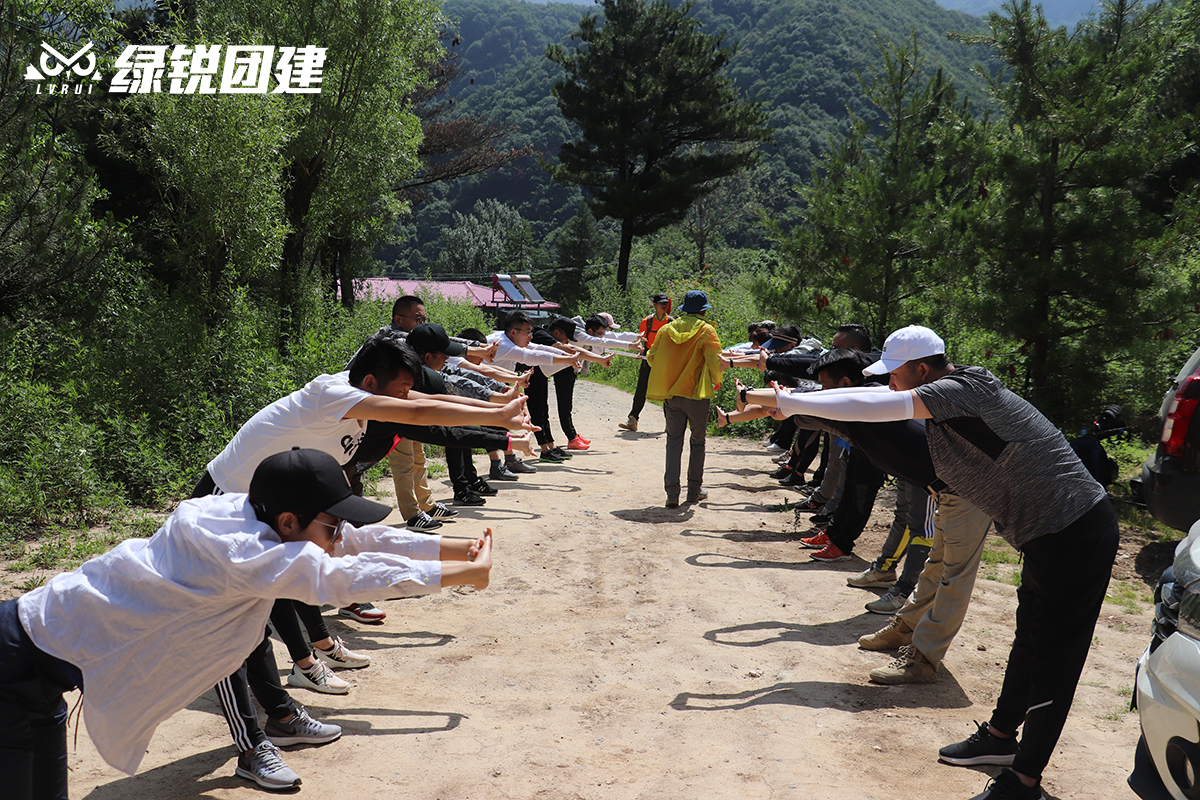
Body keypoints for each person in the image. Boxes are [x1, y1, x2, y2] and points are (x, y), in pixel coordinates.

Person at [746, 324, 1118, 800]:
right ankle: (1001, 739)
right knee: (1030, 639)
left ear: (923, 369)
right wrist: (789, 399)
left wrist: (788, 400)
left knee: (1055, 657)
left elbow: (874, 405)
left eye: (895, 374)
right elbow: (864, 407)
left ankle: (1024, 782)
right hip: (1047, 535)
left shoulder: (961, 390)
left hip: (1077, 530)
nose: (890, 382)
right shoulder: (947, 396)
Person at [1, 448, 492, 797]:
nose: (340, 532)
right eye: (332, 521)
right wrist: (462, 575)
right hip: (14, 663)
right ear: (287, 522)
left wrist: (455, 550)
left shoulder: (247, 514)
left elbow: (354, 543)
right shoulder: (241, 553)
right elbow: (338, 579)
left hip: (41, 670)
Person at [646, 289, 726, 507]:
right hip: (697, 395)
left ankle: (672, 494)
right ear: (703, 310)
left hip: (672, 394)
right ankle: (693, 491)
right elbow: (714, 359)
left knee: (673, 442)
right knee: (697, 442)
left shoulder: (667, 328)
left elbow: (651, 357)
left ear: (683, 309)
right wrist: (717, 379)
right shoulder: (707, 330)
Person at [620, 293, 673, 432]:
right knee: (641, 389)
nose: (664, 305)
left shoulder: (672, 322)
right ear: (654, 305)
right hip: (648, 358)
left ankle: (671, 424)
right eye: (661, 303)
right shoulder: (646, 322)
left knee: (667, 392)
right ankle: (633, 420)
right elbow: (641, 343)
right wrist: (640, 352)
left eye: (666, 303)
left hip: (666, 360)